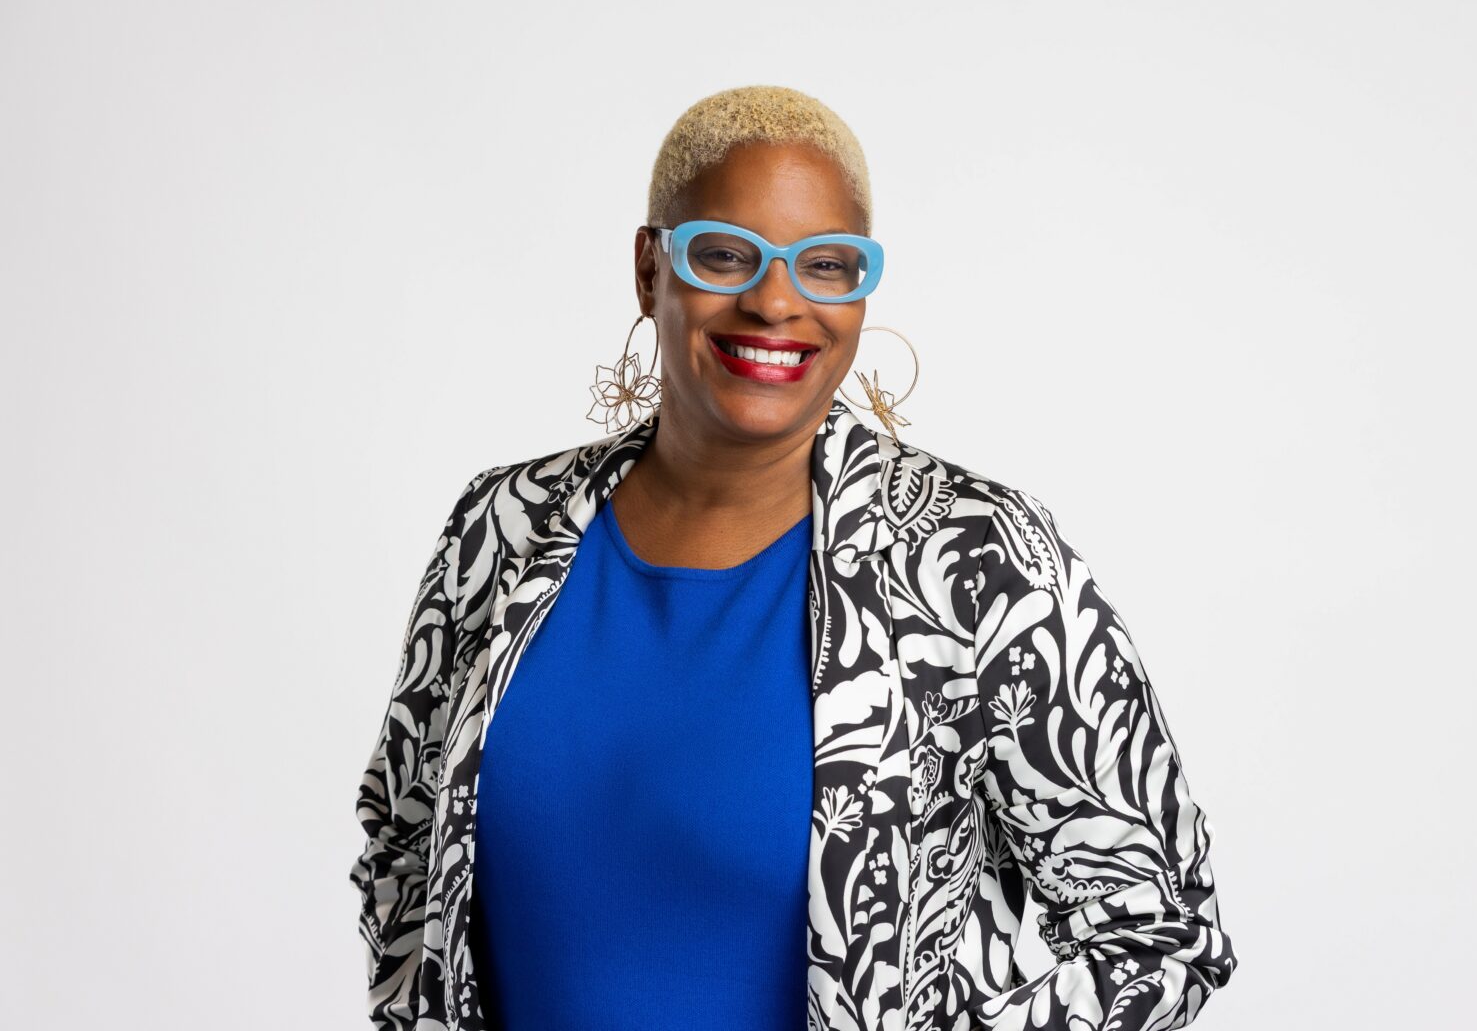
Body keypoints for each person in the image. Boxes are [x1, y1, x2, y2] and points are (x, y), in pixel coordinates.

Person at [349, 84, 1238, 1031]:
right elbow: (402, 846)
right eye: (725, 254)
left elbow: (1157, 932)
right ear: (650, 268)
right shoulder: (501, 527)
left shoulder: (973, 561)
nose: (775, 302)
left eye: (825, 265)